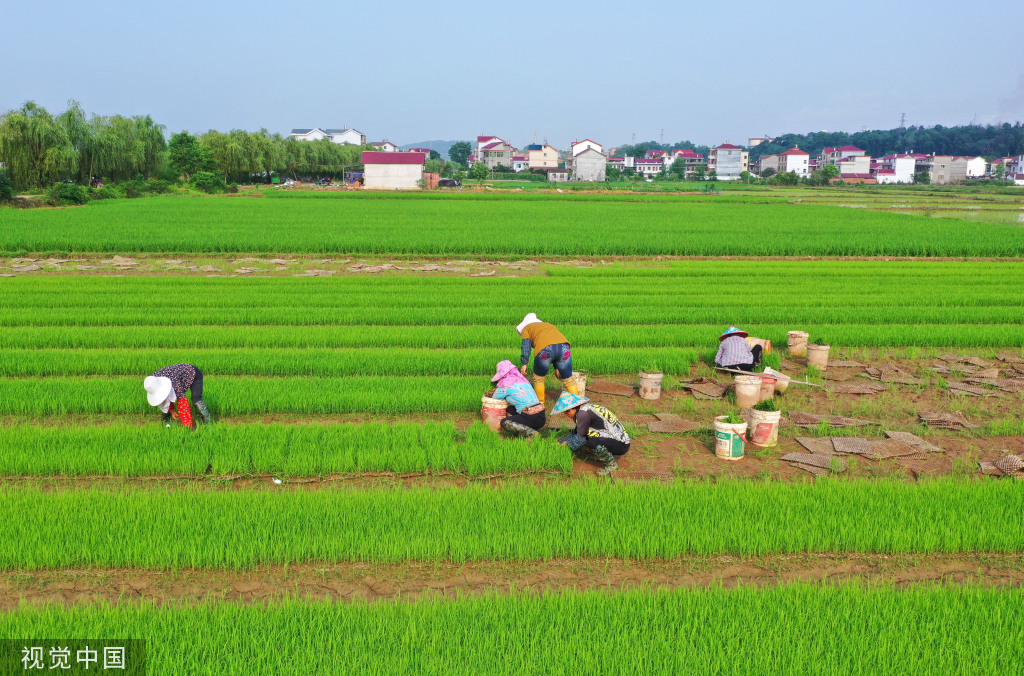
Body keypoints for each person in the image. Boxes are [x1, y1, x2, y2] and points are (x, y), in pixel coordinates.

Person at [552, 392, 630, 476]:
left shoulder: (583, 415)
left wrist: (566, 445)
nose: (565, 415)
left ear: (570, 409)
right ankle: (600, 455)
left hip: (621, 444)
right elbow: (576, 432)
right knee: (586, 436)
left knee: (592, 442)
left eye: (565, 412)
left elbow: (580, 439)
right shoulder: (583, 409)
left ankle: (612, 465)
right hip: (614, 440)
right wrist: (560, 442)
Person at [516, 312, 578, 407]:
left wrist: (524, 363)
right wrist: (558, 367)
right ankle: (577, 405)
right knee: (569, 379)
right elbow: (556, 344)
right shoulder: (548, 325)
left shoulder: (526, 329)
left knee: (539, 379)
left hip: (545, 351)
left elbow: (526, 346)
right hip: (564, 347)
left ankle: (540, 405)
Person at [488, 360, 546, 437]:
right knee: (510, 409)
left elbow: (495, 396)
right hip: (541, 417)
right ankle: (525, 430)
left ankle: (532, 433)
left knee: (504, 422)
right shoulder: (524, 381)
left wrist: (496, 389)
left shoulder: (506, 385)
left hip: (531, 417)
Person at [143, 363, 212, 428]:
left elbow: (182, 401)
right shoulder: (152, 381)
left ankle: (208, 422)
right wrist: (172, 411)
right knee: (163, 397)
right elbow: (163, 398)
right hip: (177, 376)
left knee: (196, 398)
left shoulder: (174, 382)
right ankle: (166, 422)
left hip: (194, 374)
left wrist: (187, 423)